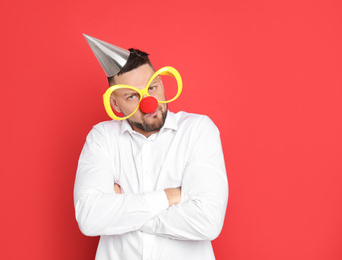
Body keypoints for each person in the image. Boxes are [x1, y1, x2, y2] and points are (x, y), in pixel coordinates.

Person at [74, 34, 228, 260]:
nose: (149, 103)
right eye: (132, 96)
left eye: (153, 87)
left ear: (162, 82)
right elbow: (89, 218)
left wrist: (123, 213)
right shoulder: (101, 138)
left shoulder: (198, 130)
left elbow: (207, 222)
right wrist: (168, 197)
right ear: (115, 104)